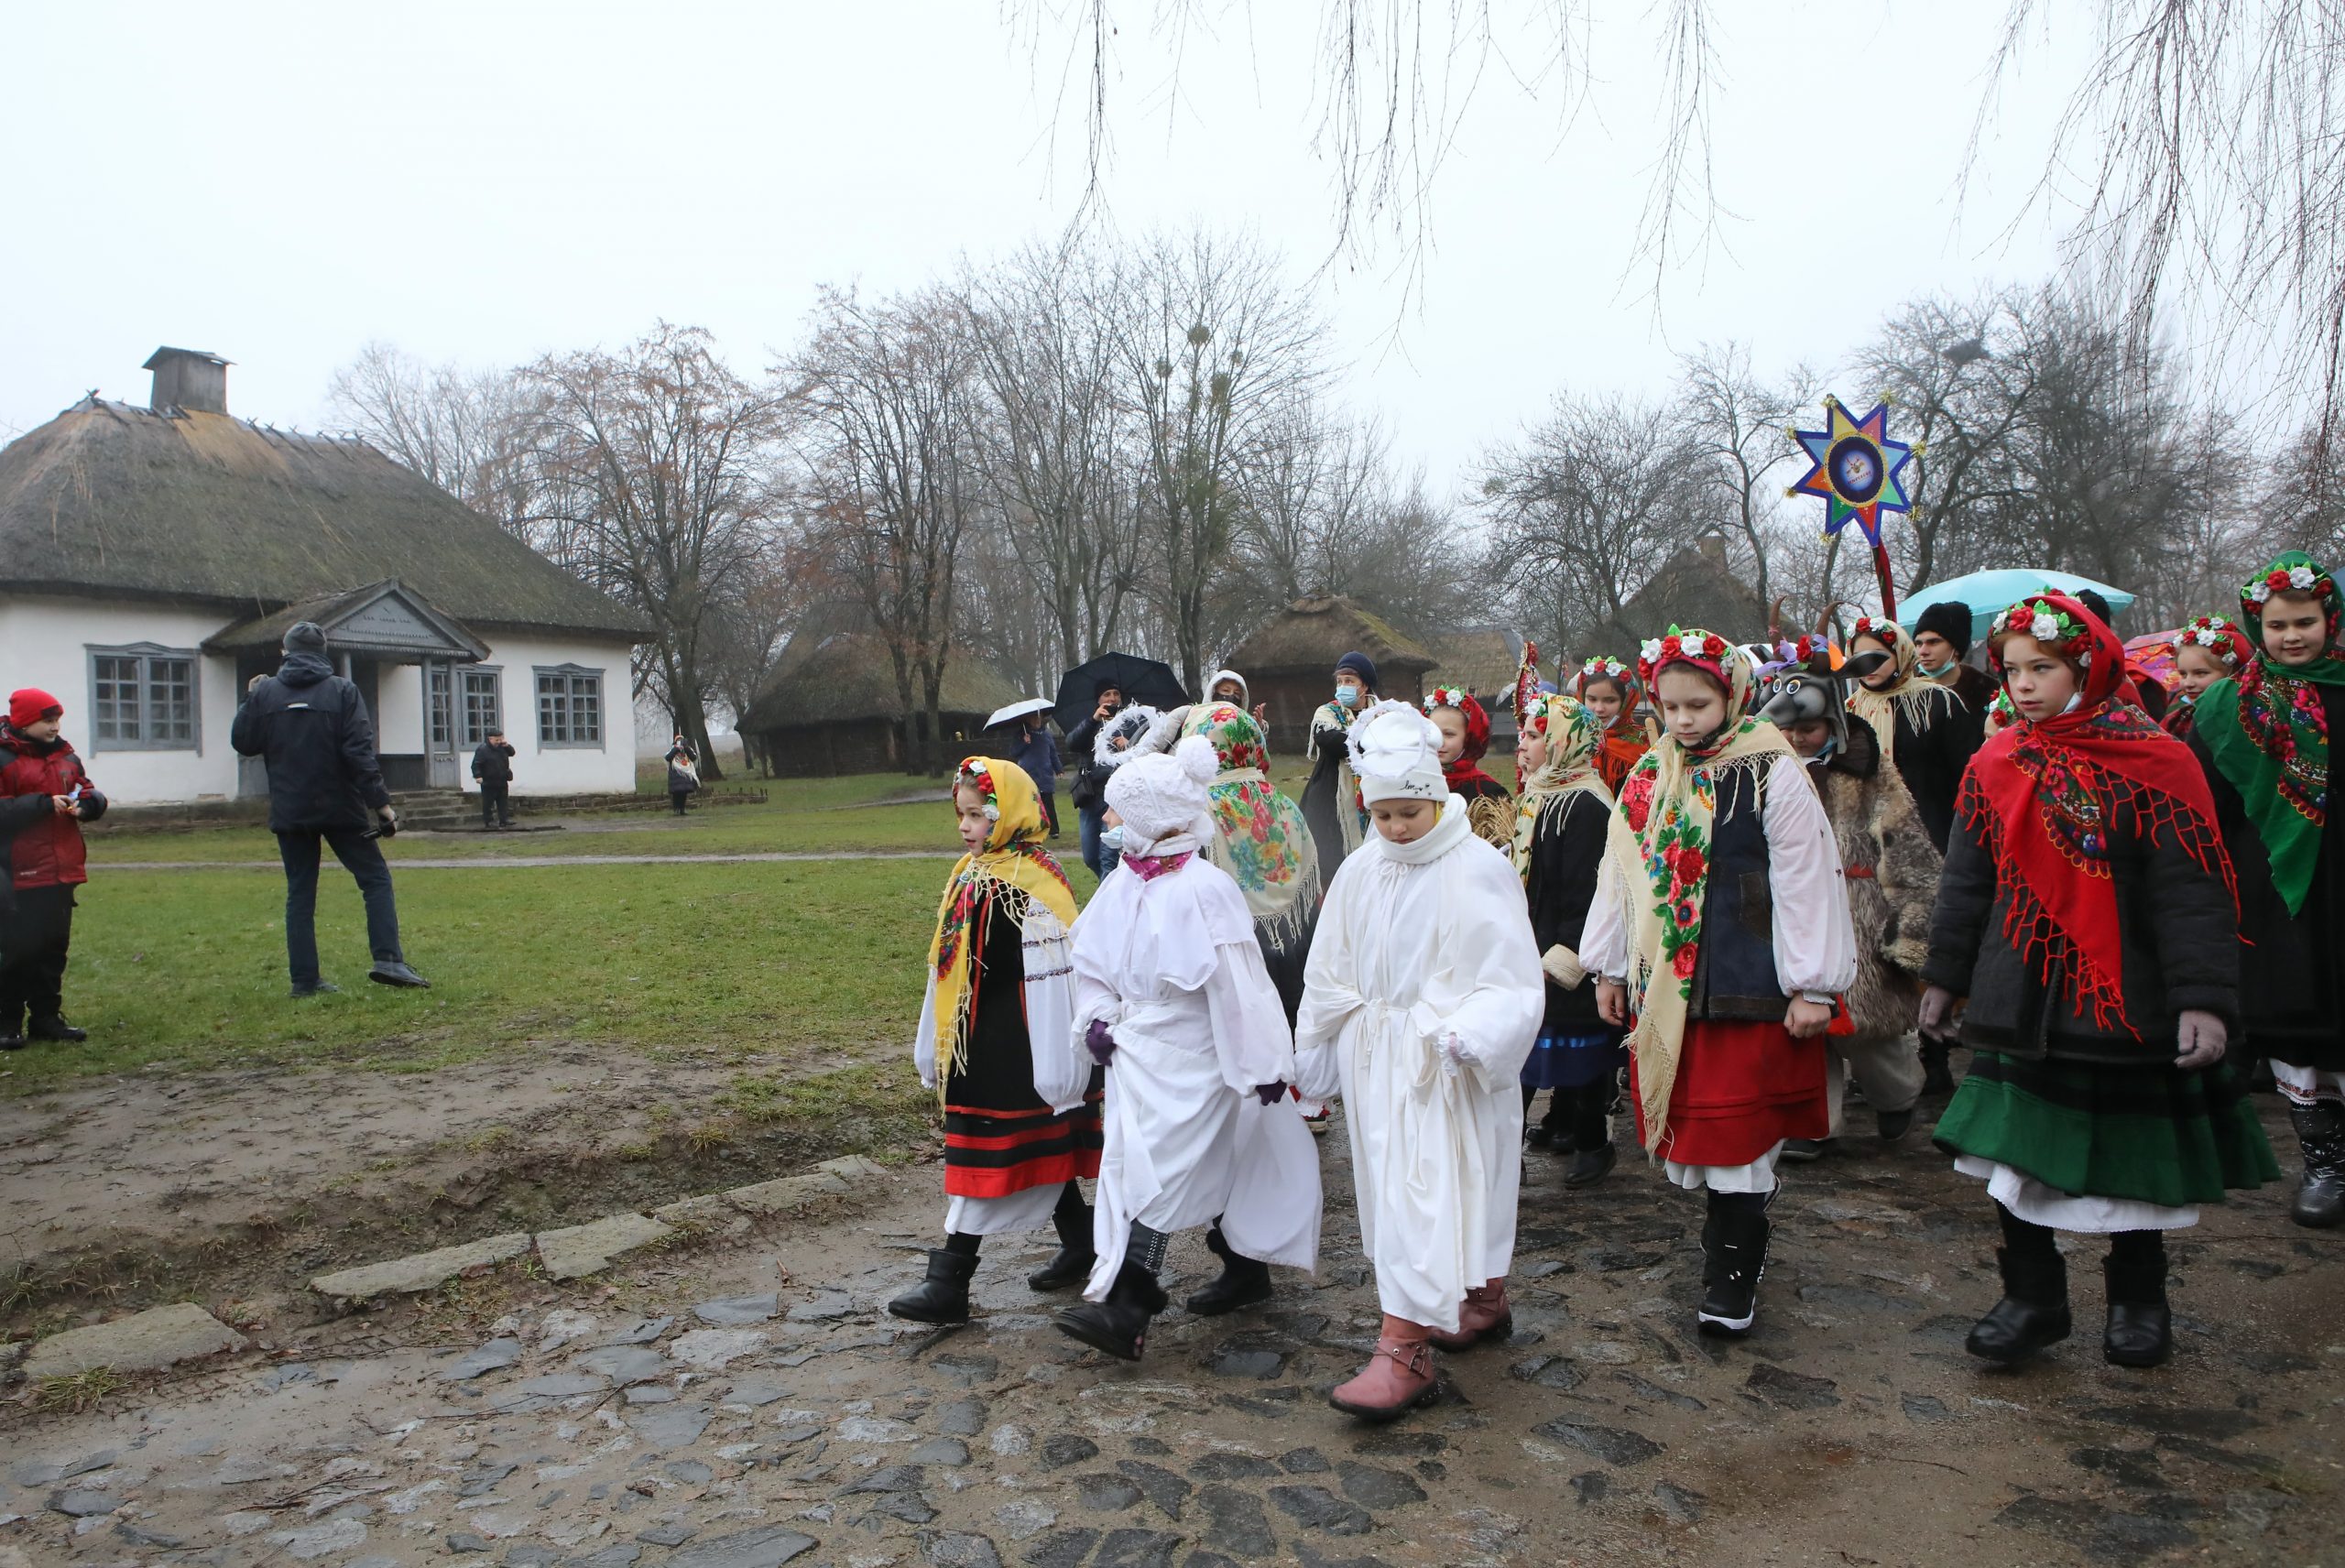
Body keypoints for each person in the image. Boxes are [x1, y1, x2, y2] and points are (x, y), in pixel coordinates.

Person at [1924, 593, 2275, 1367]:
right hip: (2020, 992)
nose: (2021, 684)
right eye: (2011, 670)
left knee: (2128, 1155)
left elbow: (2193, 893)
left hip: (2126, 997)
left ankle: (2140, 1301)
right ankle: (2032, 1299)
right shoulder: (1994, 762)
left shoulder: (2160, 761)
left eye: (2041, 667)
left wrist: (2204, 1000)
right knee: (2015, 1155)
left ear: (2088, 666)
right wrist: (1945, 976)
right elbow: (1967, 883)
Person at [1587, 628, 1855, 1339]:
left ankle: (1732, 1273)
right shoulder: (1650, 773)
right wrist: (1612, 966)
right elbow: (1624, 875)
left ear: (1732, 696)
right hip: (1672, 992)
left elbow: (1805, 878)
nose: (1681, 720)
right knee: (1700, 1138)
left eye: (1697, 704)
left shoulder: (1771, 769)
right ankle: (1726, 1251)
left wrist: (1812, 983)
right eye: (1669, 706)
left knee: (1741, 1138)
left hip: (1747, 983)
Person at [1295, 700, 1543, 1421]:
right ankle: (1481, 1295)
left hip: (1446, 1064)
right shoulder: (1363, 870)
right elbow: (1329, 966)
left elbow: (1509, 977)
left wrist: (1473, 1033)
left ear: (1437, 797)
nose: (1398, 828)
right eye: (1384, 815)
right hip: (1376, 1061)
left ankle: (1402, 1349)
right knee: (1400, 1191)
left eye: (1412, 811)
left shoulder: (1476, 870)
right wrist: (1313, 1052)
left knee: (1430, 1191)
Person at [1056, 738, 1322, 1359]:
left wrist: (1261, 1064)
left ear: (1153, 815)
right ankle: (1243, 1266)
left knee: (1164, 1170)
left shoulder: (1205, 889)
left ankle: (1129, 1305)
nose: (1109, 823)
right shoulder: (1123, 883)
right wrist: (1096, 1016)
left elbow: (1240, 987)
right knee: (1187, 1161)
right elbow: (1092, 960)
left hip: (1200, 1052)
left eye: (1119, 812)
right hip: (1138, 1051)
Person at [890, 757, 1102, 1322]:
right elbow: (946, 962)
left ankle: (950, 1281)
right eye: (961, 814)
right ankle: (1082, 1240)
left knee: (991, 1161)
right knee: (1041, 1150)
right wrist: (930, 1038)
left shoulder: (1031, 884)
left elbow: (1056, 983)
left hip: (1021, 1052)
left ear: (1007, 813)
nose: (966, 825)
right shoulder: (970, 871)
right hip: (976, 1043)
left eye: (978, 815)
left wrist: (1062, 1070)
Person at [2190, 553, 2345, 1228]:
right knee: (2293, 1013)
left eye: (2304, 622)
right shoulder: (2229, 704)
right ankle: (2324, 1162)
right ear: (2257, 625)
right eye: (2277, 624)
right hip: (2273, 886)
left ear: (2329, 622)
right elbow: (2203, 805)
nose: (2291, 636)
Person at [1756, 641, 1938, 1160]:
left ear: (1834, 722)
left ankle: (1897, 1095)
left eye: (1808, 730)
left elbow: (1907, 848)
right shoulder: (1765, 776)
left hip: (1859, 914)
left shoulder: (1867, 774)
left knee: (1864, 1028)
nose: (1796, 740)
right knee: (1805, 1026)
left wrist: (1912, 930)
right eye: (1786, 731)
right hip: (1792, 911)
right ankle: (1814, 1123)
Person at [232, 623, 430, 996]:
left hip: (291, 810)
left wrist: (251, 698)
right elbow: (359, 753)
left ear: (285, 652)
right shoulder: (342, 690)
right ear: (323, 653)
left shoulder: (267, 693)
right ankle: (388, 959)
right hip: (340, 807)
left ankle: (304, 980)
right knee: (374, 880)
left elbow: (243, 742)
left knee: (300, 893)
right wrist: (382, 806)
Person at [1511, 691, 1635, 1184]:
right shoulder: (1539, 795)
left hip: (1571, 951)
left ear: (1566, 743)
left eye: (1536, 735)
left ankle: (1592, 1140)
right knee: (1520, 1054)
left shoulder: (1585, 806)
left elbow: (1588, 888)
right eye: (1522, 733)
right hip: (1529, 942)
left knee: (1580, 1055)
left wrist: (1564, 952)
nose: (1522, 744)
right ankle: (1506, 1149)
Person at [0, 691, 106, 1049]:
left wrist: (91, 804)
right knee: (20, 950)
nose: (55, 726)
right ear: (24, 721)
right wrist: (43, 804)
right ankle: (7, 1021)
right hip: (19, 871)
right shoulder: (4, 760)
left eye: (57, 719)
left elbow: (86, 789)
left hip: (62, 870)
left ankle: (46, 1017)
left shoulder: (67, 756)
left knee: (53, 948)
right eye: (47, 720)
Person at [1846, 612, 1988, 855]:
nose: (1868, 666)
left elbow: (1970, 774)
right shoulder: (1849, 710)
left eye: (1878, 657)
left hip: (1935, 838)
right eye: (1859, 658)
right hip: (1871, 847)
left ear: (1899, 653)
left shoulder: (1936, 702)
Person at [1302, 651, 1377, 876]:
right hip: (1331, 795)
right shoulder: (1326, 712)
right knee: (1330, 859)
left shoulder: (1381, 713)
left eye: (1350, 681)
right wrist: (1373, 742)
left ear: (1365, 686)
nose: (1343, 686)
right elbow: (1329, 740)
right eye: (1340, 681)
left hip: (1373, 789)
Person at [1423, 687, 1514, 849]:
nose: (1439, 741)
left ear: (1469, 737)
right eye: (1433, 733)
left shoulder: (1488, 793)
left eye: (1449, 734)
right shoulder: (1415, 783)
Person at [1065, 681, 1125, 877]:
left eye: (1116, 693)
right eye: (1107, 694)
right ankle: (1112, 888)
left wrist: (1129, 742)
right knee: (1091, 857)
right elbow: (1072, 743)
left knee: (1109, 858)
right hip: (1090, 798)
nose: (1112, 698)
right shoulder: (1090, 723)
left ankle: (1107, 901)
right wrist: (1093, 720)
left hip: (1116, 801)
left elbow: (1144, 749)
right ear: (1099, 700)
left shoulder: (1129, 722)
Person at [2162, 615, 2252, 741]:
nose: (2188, 683)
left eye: (2200, 673)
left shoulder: (2249, 721)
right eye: (2183, 674)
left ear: (2233, 673)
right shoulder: (2179, 718)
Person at [1575, 656, 1649, 795]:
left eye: (1610, 700)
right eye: (1592, 699)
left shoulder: (1644, 744)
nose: (1599, 708)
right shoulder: (1571, 741)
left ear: (1626, 702)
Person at [472, 726, 517, 830]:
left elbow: (512, 753)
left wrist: (507, 746)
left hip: (502, 779)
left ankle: (504, 820)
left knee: (503, 801)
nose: (499, 742)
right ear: (490, 739)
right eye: (497, 740)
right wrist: (478, 776)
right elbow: (476, 764)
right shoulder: (483, 750)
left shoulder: (502, 747)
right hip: (489, 780)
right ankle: (489, 821)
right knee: (488, 802)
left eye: (500, 739)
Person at [665, 735, 699, 816]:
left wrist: (686, 748)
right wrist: (676, 749)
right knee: (676, 794)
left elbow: (694, 757)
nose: (680, 742)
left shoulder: (688, 749)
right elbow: (667, 757)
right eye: (678, 740)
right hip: (675, 775)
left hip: (685, 775)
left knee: (684, 793)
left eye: (681, 740)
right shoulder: (672, 749)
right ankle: (676, 810)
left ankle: (682, 809)